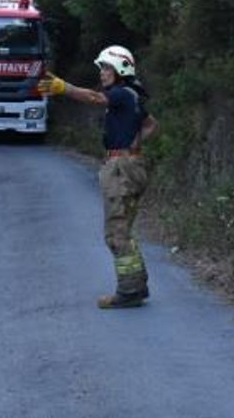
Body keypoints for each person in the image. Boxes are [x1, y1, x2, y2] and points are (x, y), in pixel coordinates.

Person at [38, 45, 158, 309]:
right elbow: (150, 124)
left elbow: (95, 99)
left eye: (106, 67)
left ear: (120, 69)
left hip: (120, 167)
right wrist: (134, 147)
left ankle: (128, 292)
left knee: (115, 232)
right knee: (124, 229)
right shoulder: (134, 95)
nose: (102, 73)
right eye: (102, 68)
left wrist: (64, 88)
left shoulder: (121, 95)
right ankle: (137, 284)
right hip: (132, 163)